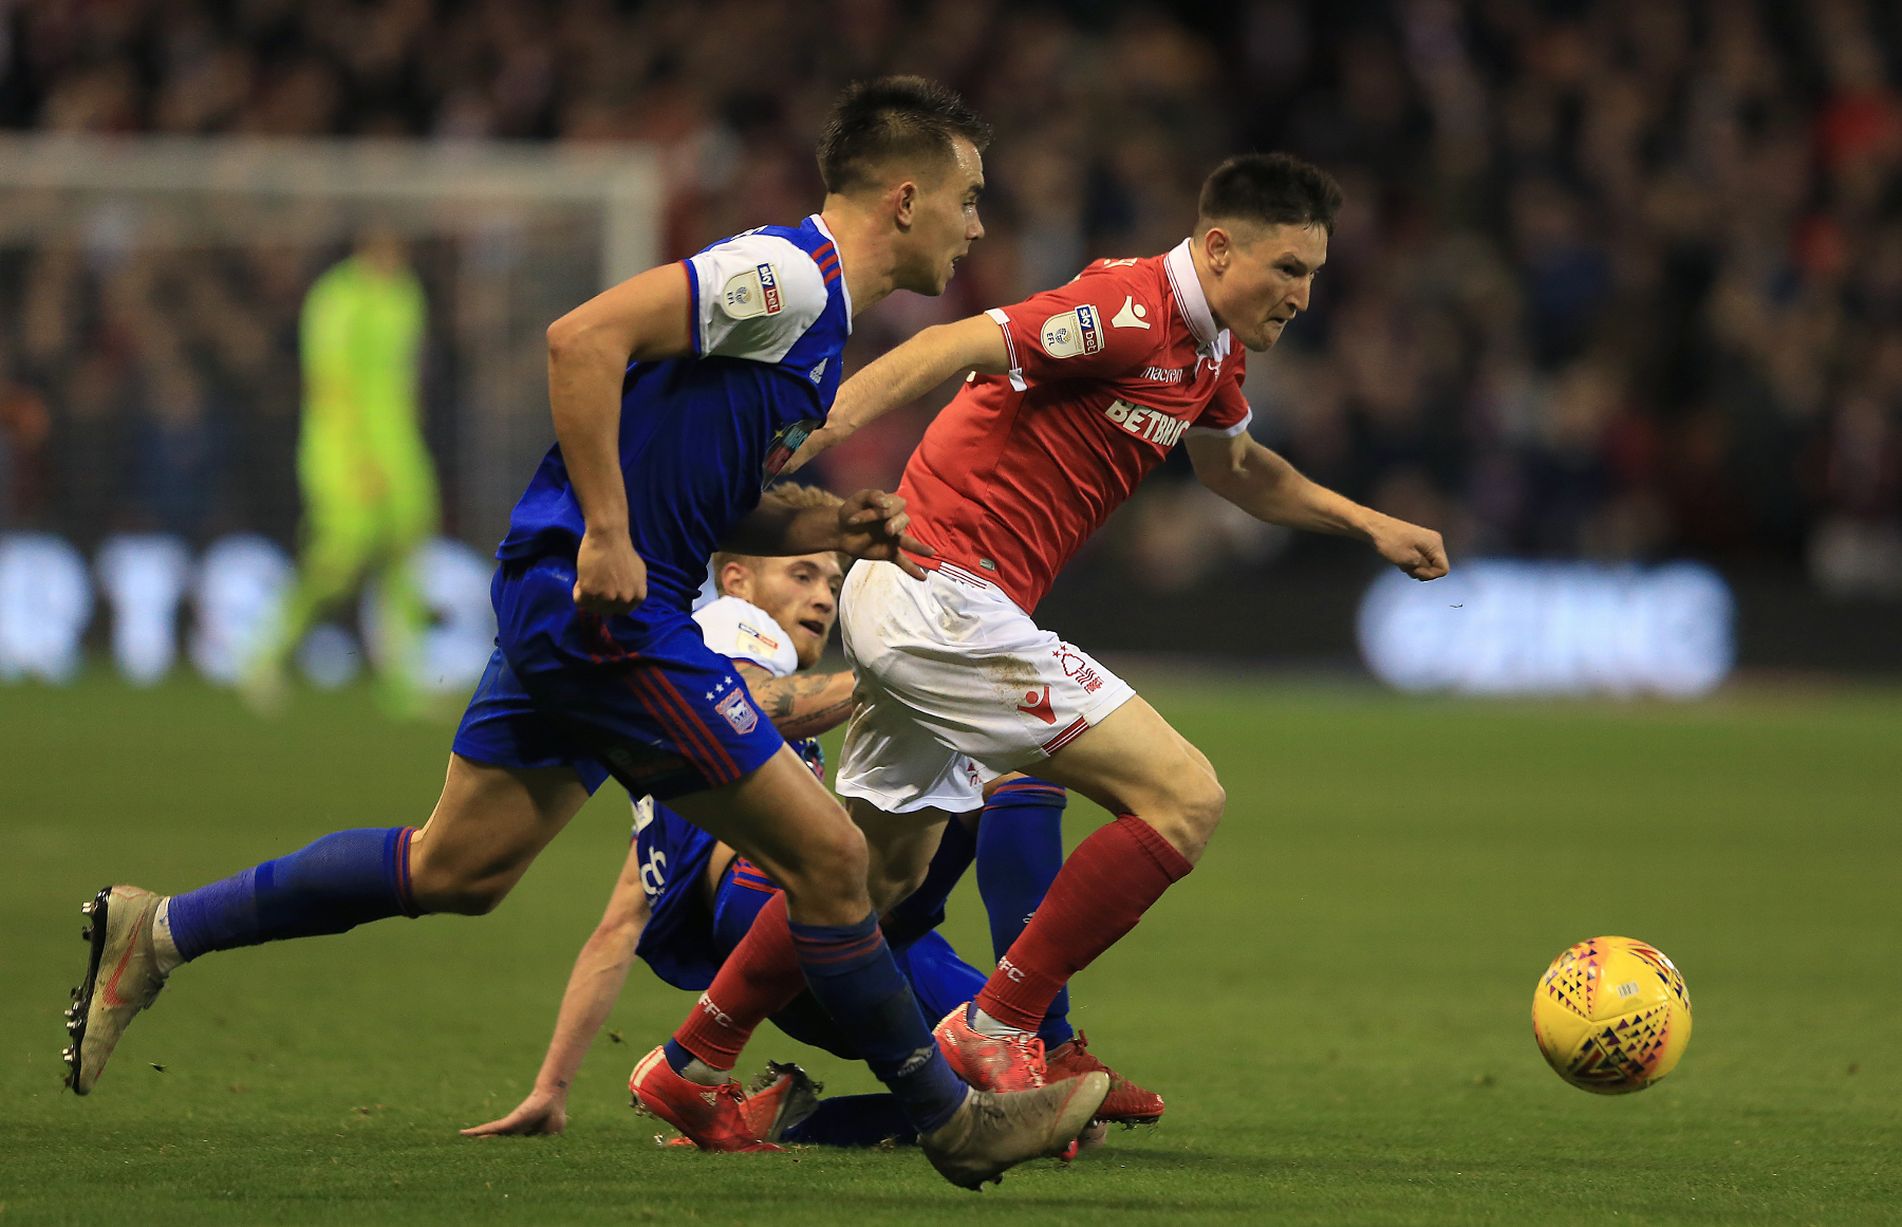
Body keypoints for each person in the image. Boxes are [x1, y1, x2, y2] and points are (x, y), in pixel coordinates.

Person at [62, 76, 1107, 1191]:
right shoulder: (788, 273)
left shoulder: (819, 327)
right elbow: (582, 339)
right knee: (834, 856)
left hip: (581, 601)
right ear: (906, 198)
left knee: (460, 865)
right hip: (612, 605)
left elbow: (718, 490)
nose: (979, 225)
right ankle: (953, 1121)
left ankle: (160, 930)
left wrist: (830, 523)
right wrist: (607, 531)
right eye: (970, 199)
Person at [643, 153, 1451, 1102]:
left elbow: (1236, 470)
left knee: (876, 873)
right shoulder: (1127, 310)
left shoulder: (1212, 350)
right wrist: (807, 435)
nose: (1305, 296)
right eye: (1289, 269)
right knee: (1184, 797)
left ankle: (693, 1063)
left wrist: (1368, 522)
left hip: (930, 602)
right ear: (1220, 248)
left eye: (1314, 273)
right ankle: (1003, 1022)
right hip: (941, 593)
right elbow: (950, 345)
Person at [461, 506, 1156, 1146]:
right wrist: (916, 671)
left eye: (833, 578)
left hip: (806, 936)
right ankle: (1044, 1031)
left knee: (1066, 1119)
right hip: (777, 903)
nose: (824, 595)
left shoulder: (694, 758)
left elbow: (618, 925)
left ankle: (790, 1118)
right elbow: (752, 703)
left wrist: (550, 1088)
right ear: (736, 576)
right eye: (802, 573)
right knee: (1009, 764)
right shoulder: (729, 625)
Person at [245, 223, 440, 716]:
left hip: (399, 445)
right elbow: (328, 382)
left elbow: (408, 375)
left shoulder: (406, 294)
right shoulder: (335, 296)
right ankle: (263, 657)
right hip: (340, 447)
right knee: (339, 559)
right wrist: (357, 458)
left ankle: (404, 682)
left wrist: (405, 449)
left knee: (406, 557)